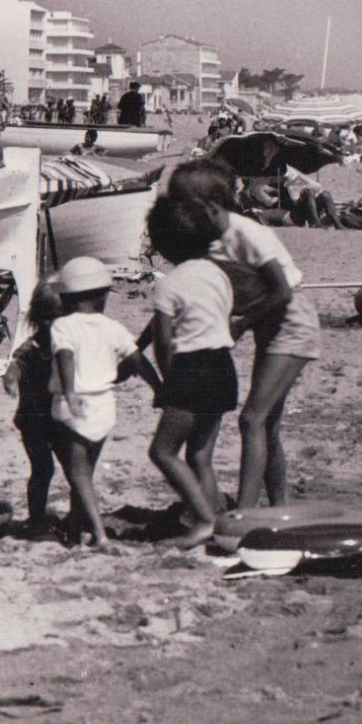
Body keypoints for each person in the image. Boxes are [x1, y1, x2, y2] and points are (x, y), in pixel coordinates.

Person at [166, 159, 319, 512]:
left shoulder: (247, 233)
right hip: (267, 326)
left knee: (252, 419)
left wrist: (240, 324)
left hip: (292, 322)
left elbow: (282, 291)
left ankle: (246, 511)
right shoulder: (204, 239)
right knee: (268, 424)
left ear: (211, 206)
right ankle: (280, 505)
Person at [145, 196, 237, 546]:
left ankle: (204, 519)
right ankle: (218, 522)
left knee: (163, 452)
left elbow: (163, 340)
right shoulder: (218, 275)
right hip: (222, 367)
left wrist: (169, 383)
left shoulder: (170, 283)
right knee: (200, 455)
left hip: (191, 368)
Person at [47, 257, 150, 547]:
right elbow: (137, 361)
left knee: (78, 475)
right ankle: (77, 528)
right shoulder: (112, 327)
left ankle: (99, 534)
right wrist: (157, 388)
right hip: (104, 404)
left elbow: (65, 356)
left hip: (74, 403)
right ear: (102, 295)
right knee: (86, 472)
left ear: (64, 297)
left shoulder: (63, 326)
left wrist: (69, 392)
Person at [3, 284, 65, 534]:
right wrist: (9, 379)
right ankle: (37, 518)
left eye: (58, 318)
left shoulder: (67, 345)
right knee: (42, 469)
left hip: (60, 418)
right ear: (37, 319)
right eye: (47, 318)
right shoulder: (32, 347)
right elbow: (16, 365)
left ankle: (76, 518)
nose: (52, 324)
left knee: (73, 468)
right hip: (33, 421)